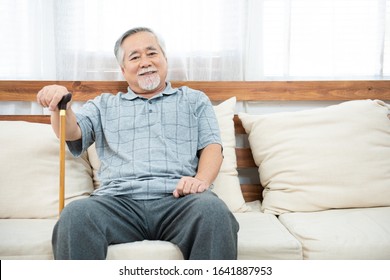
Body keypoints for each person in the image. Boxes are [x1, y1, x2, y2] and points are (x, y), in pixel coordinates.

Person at [36, 27, 239, 260]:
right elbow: (70, 132)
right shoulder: (104, 105)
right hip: (117, 203)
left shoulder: (194, 100)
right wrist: (60, 104)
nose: (145, 62)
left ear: (165, 59)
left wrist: (200, 181)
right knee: (75, 215)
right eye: (135, 57)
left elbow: (212, 147)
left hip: (179, 201)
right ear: (123, 70)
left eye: (152, 53)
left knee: (213, 212)